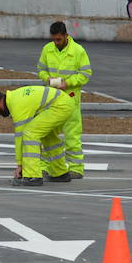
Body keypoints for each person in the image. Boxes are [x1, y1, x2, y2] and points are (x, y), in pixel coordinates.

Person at [0, 85, 77, 186]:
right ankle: (60, 173)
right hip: (63, 102)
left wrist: (20, 165)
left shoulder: (16, 105)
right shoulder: (15, 97)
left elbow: (20, 137)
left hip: (60, 106)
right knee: (48, 137)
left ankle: (33, 176)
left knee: (30, 134)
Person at [36, 21, 93, 178]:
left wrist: (68, 83)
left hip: (70, 97)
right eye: (54, 39)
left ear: (66, 36)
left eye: (59, 39)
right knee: (48, 134)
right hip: (52, 98)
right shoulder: (47, 49)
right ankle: (46, 166)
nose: (56, 42)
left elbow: (86, 73)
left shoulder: (78, 51)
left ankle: (76, 168)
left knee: (72, 134)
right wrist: (48, 79)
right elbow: (40, 69)